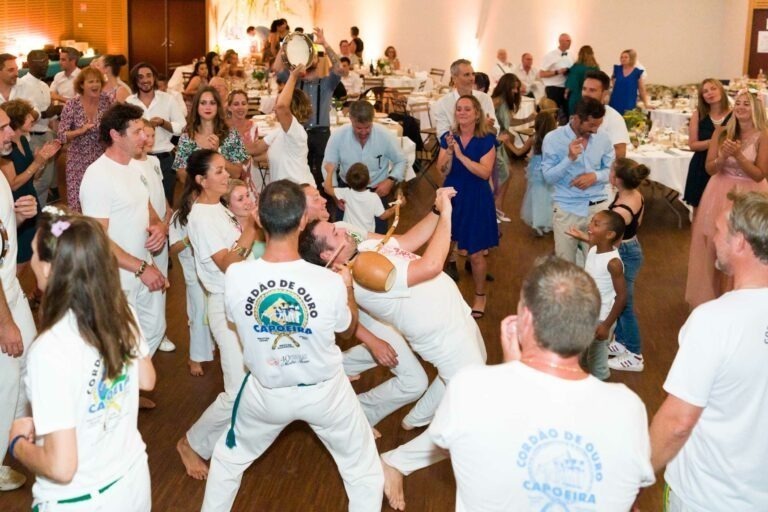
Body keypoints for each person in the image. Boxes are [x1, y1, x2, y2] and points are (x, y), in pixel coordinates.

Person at [299, 187, 488, 511]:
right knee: (475, 411)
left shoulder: (365, 247)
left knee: (472, 369)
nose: (342, 228)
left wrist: (434, 206)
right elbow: (430, 265)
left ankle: (417, 416)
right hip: (445, 339)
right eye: (334, 233)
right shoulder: (364, 274)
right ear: (328, 258)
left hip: (456, 317)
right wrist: (447, 215)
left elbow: (410, 240)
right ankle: (398, 461)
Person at [201, 180, 383, 511]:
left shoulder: (237, 277)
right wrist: (349, 289)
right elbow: (348, 329)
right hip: (325, 394)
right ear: (302, 221)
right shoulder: (328, 281)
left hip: (266, 392)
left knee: (228, 462)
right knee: (363, 472)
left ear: (259, 220)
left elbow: (235, 317)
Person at [430, 256, 654, 512]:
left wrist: (510, 369)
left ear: (524, 319)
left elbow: (452, 447)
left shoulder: (468, 387)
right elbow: (632, 491)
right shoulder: (627, 408)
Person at [8, 208, 156, 511]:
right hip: (132, 480)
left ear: (50, 268)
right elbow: (147, 379)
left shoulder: (50, 350)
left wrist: (18, 445)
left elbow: (62, 467)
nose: (32, 260)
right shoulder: (119, 309)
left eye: (36, 252)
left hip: (80, 500)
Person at [651, 190, 768, 511]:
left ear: (741, 242)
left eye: (718, 231)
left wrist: (636, 476)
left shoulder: (713, 321)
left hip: (708, 496)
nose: (712, 238)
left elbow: (678, 422)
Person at [174, 149, 254, 481]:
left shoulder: (217, 211)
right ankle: (190, 443)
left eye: (225, 169)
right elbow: (228, 263)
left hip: (241, 301)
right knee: (236, 389)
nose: (226, 174)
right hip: (224, 306)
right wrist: (251, 226)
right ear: (201, 180)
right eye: (219, 171)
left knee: (252, 378)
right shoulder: (201, 217)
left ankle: (236, 432)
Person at [79, 103, 168, 362]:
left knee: (154, 330)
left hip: (143, 266)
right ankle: (122, 396)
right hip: (117, 275)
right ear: (116, 135)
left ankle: (134, 390)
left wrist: (159, 227)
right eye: (137, 131)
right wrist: (141, 268)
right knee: (120, 343)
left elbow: (148, 207)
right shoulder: (97, 176)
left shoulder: (135, 167)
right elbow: (97, 238)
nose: (145, 137)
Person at [686, 90, 768, 308]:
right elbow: (710, 168)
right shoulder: (722, 132)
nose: (741, 107)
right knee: (715, 245)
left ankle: (740, 299)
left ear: (756, 109)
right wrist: (723, 156)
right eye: (738, 103)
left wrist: (738, 155)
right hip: (719, 191)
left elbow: (759, 174)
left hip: (750, 195)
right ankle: (715, 300)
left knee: (745, 247)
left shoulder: (764, 134)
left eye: (746, 104)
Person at [0, 107, 38, 492]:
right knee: (7, 378)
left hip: (10, 287)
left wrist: (19, 217)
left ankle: (15, 437)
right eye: (3, 128)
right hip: (2, 298)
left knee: (27, 362)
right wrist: (5, 322)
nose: (11, 132)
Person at [437, 94, 497, 318]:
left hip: (476, 198)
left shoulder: (487, 139)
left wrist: (461, 155)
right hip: (453, 196)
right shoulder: (448, 138)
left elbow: (484, 172)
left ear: (477, 113)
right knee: (443, 249)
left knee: (476, 254)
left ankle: (480, 296)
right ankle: (440, 293)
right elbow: (441, 171)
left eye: (467, 109)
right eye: (459, 109)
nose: (462, 113)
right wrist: (451, 153)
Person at [542, 96, 614, 264]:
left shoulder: (604, 138)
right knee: (566, 264)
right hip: (567, 210)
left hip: (598, 208)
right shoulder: (553, 139)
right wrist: (569, 159)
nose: (595, 130)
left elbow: (611, 170)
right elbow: (548, 177)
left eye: (598, 125)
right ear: (576, 118)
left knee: (598, 263)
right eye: (591, 125)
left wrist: (594, 176)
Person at [322, 100, 408, 233]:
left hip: (378, 191)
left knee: (378, 236)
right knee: (344, 235)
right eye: (358, 128)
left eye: (367, 127)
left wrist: (391, 180)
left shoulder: (385, 135)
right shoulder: (338, 136)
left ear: (372, 120)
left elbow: (401, 160)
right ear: (350, 119)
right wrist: (335, 197)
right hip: (346, 192)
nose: (363, 132)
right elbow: (328, 165)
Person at [0, 99, 60, 287]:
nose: (33, 120)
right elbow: (14, 184)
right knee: (21, 257)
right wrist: (36, 163)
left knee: (38, 246)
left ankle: (32, 291)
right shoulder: (6, 151)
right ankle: (14, 289)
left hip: (30, 200)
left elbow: (33, 175)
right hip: (19, 203)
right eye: (28, 117)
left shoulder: (23, 140)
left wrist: (40, 162)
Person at [602, 159, 650, 372]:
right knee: (619, 300)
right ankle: (621, 341)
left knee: (625, 304)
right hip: (631, 248)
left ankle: (634, 354)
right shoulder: (634, 194)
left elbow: (610, 238)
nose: (609, 173)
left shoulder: (622, 210)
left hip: (625, 253)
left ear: (618, 179)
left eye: (611, 170)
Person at [567, 210, 627, 380]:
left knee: (598, 361)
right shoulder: (594, 249)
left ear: (609, 234)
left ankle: (600, 389)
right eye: (592, 221)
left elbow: (622, 297)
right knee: (584, 354)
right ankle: (586, 379)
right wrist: (583, 237)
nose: (590, 226)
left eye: (596, 224)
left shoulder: (613, 263)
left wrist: (606, 325)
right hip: (587, 313)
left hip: (601, 318)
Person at [134, 123, 175, 353]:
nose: (148, 140)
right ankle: (143, 332)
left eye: (152, 135)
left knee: (163, 281)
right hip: (147, 231)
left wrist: (168, 212)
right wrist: (155, 224)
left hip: (162, 229)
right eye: (144, 135)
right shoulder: (130, 166)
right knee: (147, 282)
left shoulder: (155, 162)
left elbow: (159, 192)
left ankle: (160, 330)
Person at [126, 62, 188, 205]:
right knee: (140, 203)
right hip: (138, 159)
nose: (145, 80)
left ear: (154, 78)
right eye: (140, 77)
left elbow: (182, 126)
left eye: (149, 76)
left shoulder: (168, 99)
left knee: (166, 203)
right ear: (135, 80)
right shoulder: (129, 102)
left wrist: (163, 123)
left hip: (164, 159)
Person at [57, 66, 114, 212]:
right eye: (90, 82)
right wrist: (79, 131)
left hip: (102, 157)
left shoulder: (107, 101)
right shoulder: (72, 105)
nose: (95, 85)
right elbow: (61, 135)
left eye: (97, 81)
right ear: (82, 85)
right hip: (78, 160)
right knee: (78, 201)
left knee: (102, 199)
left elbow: (116, 123)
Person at [248, 64, 315, 185]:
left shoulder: (296, 131)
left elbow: (281, 107)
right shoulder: (279, 132)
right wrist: (226, 146)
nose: (274, 107)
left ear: (291, 108)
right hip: (285, 193)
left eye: (277, 102)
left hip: (300, 192)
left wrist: (293, 76)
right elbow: (255, 150)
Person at [295, 27, 342, 189]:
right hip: (300, 132)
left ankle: (324, 202)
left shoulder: (327, 83)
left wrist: (325, 44)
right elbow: (276, 69)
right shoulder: (295, 82)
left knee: (323, 172)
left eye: (313, 58)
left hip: (322, 132)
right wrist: (290, 45)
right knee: (301, 171)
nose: (311, 61)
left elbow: (339, 68)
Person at [172, 86, 248, 181]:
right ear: (197, 107)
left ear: (218, 107)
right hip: (197, 192)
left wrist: (217, 154)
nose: (208, 107)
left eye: (212, 103)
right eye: (203, 103)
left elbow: (237, 173)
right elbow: (181, 175)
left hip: (225, 193)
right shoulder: (187, 137)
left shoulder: (232, 135)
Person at [16, 50, 60, 206]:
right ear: (30, 64)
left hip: (45, 133)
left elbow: (48, 113)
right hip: (31, 136)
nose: (44, 66)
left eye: (46, 63)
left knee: (46, 179)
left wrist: (55, 113)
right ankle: (32, 210)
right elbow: (23, 116)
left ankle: (39, 210)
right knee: (37, 179)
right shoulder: (22, 84)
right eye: (40, 63)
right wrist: (46, 113)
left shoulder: (43, 85)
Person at [683, 78, 732, 214]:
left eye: (713, 88)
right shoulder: (698, 115)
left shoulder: (734, 115)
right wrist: (715, 141)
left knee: (723, 211)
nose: (710, 93)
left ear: (721, 90)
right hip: (700, 166)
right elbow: (693, 145)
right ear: (702, 97)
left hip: (725, 167)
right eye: (705, 91)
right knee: (699, 210)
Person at [492, 73, 536, 222]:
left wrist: (527, 119)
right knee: (501, 175)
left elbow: (509, 123)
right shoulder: (496, 102)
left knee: (507, 174)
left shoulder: (505, 103)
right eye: (514, 89)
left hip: (501, 143)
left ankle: (498, 208)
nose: (516, 92)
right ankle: (492, 209)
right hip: (493, 143)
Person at [323, 162, 397, 233]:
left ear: (348, 181)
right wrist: (397, 206)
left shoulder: (346, 193)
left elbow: (327, 188)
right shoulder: (374, 197)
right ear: (369, 181)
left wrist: (330, 172)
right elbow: (383, 216)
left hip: (349, 233)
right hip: (365, 235)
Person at [433, 59, 498, 138]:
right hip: (455, 147)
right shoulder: (443, 103)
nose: (472, 78)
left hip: (483, 147)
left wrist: (489, 127)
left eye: (473, 74)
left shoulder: (484, 98)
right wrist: (480, 127)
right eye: (467, 75)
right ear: (454, 79)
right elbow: (443, 135)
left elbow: (496, 129)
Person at [521, 111, 558, 235]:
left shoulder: (534, 139)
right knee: (549, 197)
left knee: (536, 198)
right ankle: (549, 222)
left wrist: (508, 143)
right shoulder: (555, 140)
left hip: (536, 172)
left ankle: (538, 223)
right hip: (551, 171)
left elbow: (518, 152)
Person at [581, 70, 631, 159]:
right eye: (584, 89)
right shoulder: (577, 113)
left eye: (592, 90)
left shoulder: (614, 118)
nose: (586, 94)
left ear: (604, 94)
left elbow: (620, 154)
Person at [539, 33, 573, 123]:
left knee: (567, 114)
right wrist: (557, 72)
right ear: (561, 42)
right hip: (553, 89)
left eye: (570, 41)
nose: (570, 43)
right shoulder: (550, 56)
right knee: (553, 115)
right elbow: (541, 74)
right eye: (568, 41)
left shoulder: (571, 56)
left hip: (566, 89)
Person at [609, 49, 650, 115]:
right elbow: (613, 82)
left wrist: (646, 103)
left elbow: (641, 89)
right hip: (616, 100)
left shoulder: (637, 72)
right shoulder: (617, 69)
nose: (623, 59)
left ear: (631, 58)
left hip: (629, 101)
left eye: (625, 57)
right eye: (621, 57)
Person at [564, 45, 599, 116]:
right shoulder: (595, 68)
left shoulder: (576, 67)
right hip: (591, 98)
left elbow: (571, 84)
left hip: (576, 96)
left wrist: (566, 92)